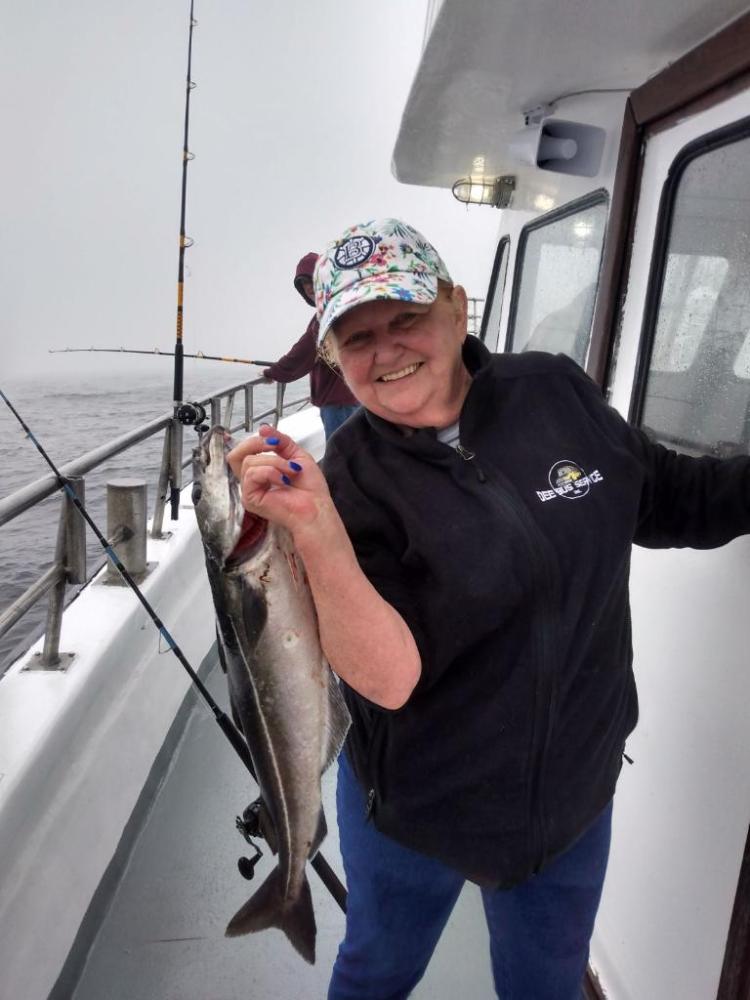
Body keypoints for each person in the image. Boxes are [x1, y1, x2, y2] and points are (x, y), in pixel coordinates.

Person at [227, 218, 750, 1000]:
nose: (388, 350)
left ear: (457, 308)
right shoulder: (355, 482)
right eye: (357, 337)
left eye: (405, 318)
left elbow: (674, 495)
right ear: (334, 358)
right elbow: (391, 678)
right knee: (374, 972)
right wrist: (315, 529)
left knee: (545, 985)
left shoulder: (557, 393)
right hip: (415, 815)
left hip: (571, 799)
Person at [263, 251, 359, 440]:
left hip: (339, 402)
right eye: (304, 284)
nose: (308, 288)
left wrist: (273, 372)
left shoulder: (326, 316)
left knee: (342, 457)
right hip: (353, 396)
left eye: (312, 281)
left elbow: (303, 354)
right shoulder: (344, 306)